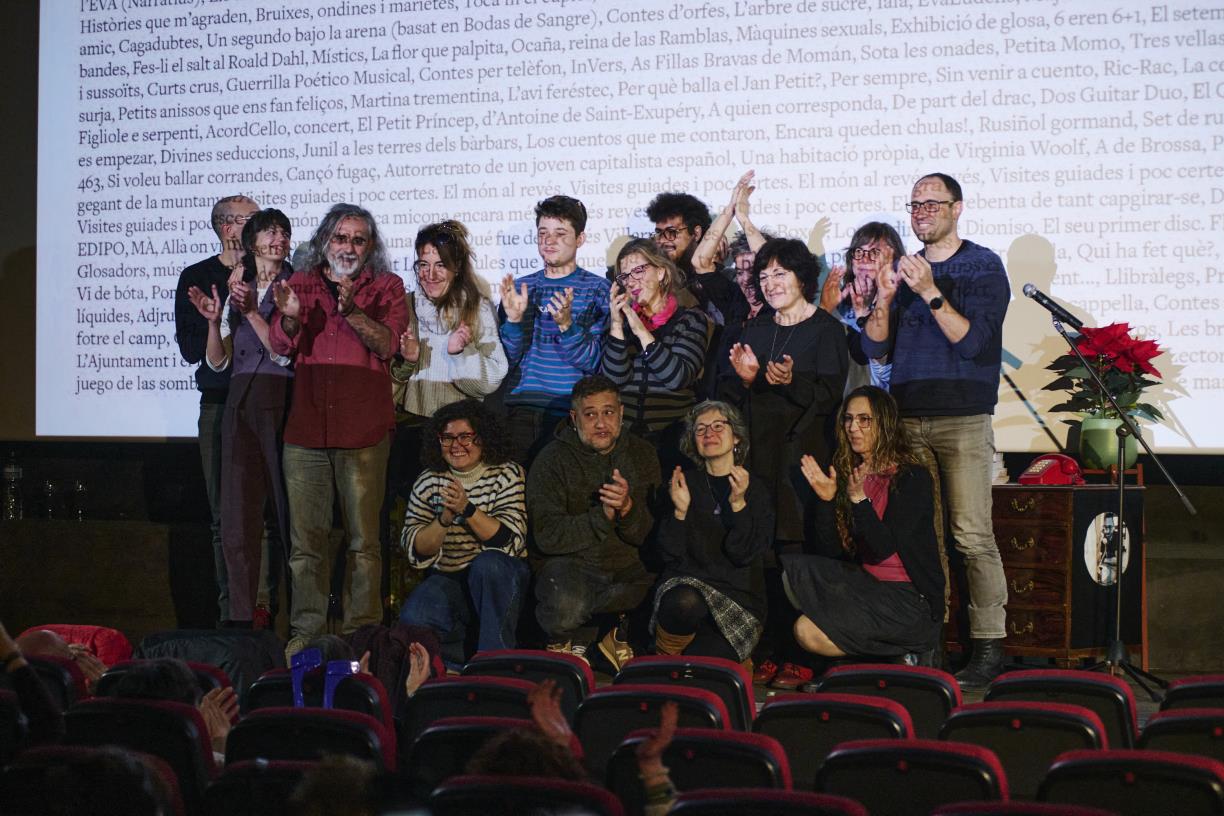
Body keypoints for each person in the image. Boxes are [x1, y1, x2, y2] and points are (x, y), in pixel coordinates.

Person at [862, 173, 1011, 689]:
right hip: (906, 416)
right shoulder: (903, 271)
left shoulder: (983, 266)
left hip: (963, 416)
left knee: (971, 534)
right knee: (921, 538)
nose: (921, 211)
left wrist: (928, 290)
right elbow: (875, 350)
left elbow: (973, 345)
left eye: (932, 203)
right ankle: (927, 642)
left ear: (958, 208)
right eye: (915, 204)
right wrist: (883, 298)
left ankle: (988, 645)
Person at [270, 204, 409, 658]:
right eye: (340, 237)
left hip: (363, 431)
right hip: (305, 430)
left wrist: (350, 312)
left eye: (358, 239)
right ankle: (306, 633)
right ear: (324, 240)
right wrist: (289, 316)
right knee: (304, 543)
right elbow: (280, 344)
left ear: (370, 247)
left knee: (363, 543)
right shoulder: (302, 284)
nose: (348, 247)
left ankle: (361, 634)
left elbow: (389, 344)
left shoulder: (387, 286)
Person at [719, 236, 848, 689]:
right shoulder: (754, 330)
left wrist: (791, 382)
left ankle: (803, 655)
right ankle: (770, 648)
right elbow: (729, 394)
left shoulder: (827, 330)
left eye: (780, 274)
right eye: (765, 275)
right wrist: (748, 380)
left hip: (804, 458)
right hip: (760, 458)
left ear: (803, 278)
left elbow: (831, 396)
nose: (771, 283)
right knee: (764, 555)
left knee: (800, 554)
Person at [187, 208, 295, 628]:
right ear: (250, 243)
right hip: (238, 403)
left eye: (283, 231)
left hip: (280, 399)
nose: (278, 238)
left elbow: (284, 351)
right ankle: (240, 619)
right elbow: (217, 364)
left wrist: (252, 312)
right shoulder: (239, 286)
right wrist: (215, 323)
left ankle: (291, 624)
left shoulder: (296, 284)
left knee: (284, 517)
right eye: (269, 231)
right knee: (236, 517)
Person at [783, 386, 944, 665]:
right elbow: (830, 552)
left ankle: (910, 648)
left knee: (808, 628)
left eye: (864, 419)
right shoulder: (850, 474)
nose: (853, 427)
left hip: (907, 600)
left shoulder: (911, 477)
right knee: (793, 577)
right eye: (848, 419)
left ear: (885, 423)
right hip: (865, 587)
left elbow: (882, 548)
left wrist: (859, 500)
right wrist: (826, 500)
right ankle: (893, 655)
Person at [528, 375, 660, 668]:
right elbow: (546, 535)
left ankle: (609, 636)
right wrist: (601, 516)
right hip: (573, 563)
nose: (601, 423)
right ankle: (569, 643)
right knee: (565, 601)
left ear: (621, 413)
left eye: (608, 412)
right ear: (574, 418)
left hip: (628, 564)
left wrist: (627, 508)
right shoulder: (551, 459)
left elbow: (652, 533)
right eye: (591, 415)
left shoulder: (642, 453)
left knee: (671, 586)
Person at [174, 194, 259, 623]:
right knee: (222, 520)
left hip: (267, 407)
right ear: (228, 228)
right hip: (220, 407)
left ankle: (267, 616)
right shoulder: (197, 276)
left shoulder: (275, 275)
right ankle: (233, 619)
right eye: (251, 221)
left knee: (268, 519)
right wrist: (219, 313)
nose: (262, 229)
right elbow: (191, 351)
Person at [398, 399, 528, 668]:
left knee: (488, 565)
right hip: (451, 578)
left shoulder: (506, 473)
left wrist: (466, 509)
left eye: (465, 436)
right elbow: (416, 548)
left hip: (500, 576)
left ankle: (495, 665)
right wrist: (444, 519)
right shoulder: (429, 480)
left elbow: (510, 541)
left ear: (483, 437)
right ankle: (453, 663)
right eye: (447, 438)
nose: (456, 446)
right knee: (416, 612)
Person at [653, 401, 772, 666]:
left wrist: (739, 505)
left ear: (736, 437)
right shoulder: (684, 483)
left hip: (738, 598)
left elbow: (743, 554)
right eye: (701, 429)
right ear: (692, 442)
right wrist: (680, 512)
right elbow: (668, 555)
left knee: (702, 668)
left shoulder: (756, 490)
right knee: (683, 601)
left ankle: (734, 659)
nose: (709, 433)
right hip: (688, 591)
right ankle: (664, 654)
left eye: (719, 426)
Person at [498, 195, 610, 467]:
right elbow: (508, 360)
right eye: (543, 233)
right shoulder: (521, 288)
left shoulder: (599, 290)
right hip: (522, 409)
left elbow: (594, 362)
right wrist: (512, 321)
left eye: (560, 234)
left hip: (571, 412)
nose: (549, 241)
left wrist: (567, 326)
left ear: (580, 239)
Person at [602, 238, 709, 471]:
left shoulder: (690, 319)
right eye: (625, 276)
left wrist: (640, 329)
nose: (631, 281)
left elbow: (677, 377)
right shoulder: (622, 324)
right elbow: (613, 382)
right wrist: (618, 326)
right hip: (626, 438)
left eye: (639, 270)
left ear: (661, 273)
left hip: (675, 436)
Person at [825, 221, 904, 391]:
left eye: (874, 252)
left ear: (893, 259)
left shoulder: (904, 306)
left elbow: (878, 363)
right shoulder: (839, 304)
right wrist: (826, 309)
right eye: (859, 252)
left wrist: (865, 314)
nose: (864, 259)